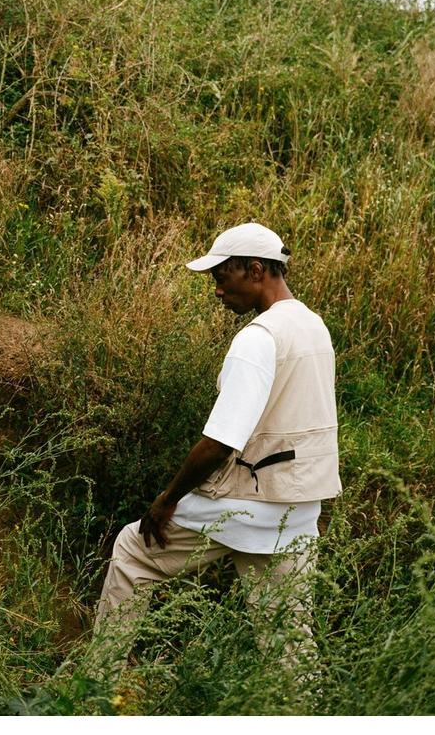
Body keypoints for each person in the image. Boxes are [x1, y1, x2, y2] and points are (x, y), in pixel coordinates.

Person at [92, 222, 340, 675]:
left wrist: (168, 500)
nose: (217, 290)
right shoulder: (313, 327)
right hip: (298, 509)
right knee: (288, 645)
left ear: (255, 270)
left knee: (133, 549)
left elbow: (220, 443)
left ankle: (97, 685)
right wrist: (315, 506)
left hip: (250, 502)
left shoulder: (257, 339)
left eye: (221, 278)